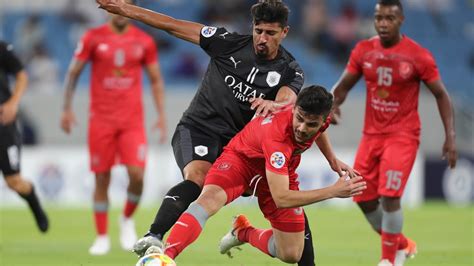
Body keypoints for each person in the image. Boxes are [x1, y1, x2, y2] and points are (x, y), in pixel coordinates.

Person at [96, 1, 351, 264]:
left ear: (284, 32)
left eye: (270, 33)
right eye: (258, 30)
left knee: (291, 247)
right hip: (200, 129)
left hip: (245, 144)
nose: (262, 38)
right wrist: (126, 10)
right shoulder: (227, 42)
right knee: (199, 181)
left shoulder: (289, 70)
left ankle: (245, 233)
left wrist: (278, 105)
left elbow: (292, 102)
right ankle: (156, 238)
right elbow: (172, 26)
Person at [141, 85, 366, 264]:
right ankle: (165, 257)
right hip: (242, 160)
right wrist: (333, 191)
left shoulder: (319, 119)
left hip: (278, 171)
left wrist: (332, 159)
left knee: (291, 254)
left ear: (323, 119)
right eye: (299, 119)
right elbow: (282, 197)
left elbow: (319, 132)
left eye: (311, 124)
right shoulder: (278, 137)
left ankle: (243, 232)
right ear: (295, 108)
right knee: (209, 199)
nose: (303, 128)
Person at [330, 0, 458, 265]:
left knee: (390, 195)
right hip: (371, 135)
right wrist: (332, 105)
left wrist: (450, 136)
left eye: (389, 18)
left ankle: (388, 259)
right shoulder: (365, 50)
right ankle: (400, 243)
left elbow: (441, 95)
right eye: (379, 18)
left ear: (401, 20)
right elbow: (342, 86)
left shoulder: (417, 55)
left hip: (403, 136)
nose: (383, 23)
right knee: (362, 197)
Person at [60, 0, 167, 255]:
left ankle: (127, 218)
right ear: (108, 7)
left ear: (132, 7)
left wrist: (161, 116)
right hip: (101, 120)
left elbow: (155, 79)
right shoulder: (93, 38)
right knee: (101, 177)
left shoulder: (144, 41)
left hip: (132, 121)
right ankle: (101, 236)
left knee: (137, 176)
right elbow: (73, 73)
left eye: (126, 3)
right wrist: (66, 109)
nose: (120, 8)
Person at [0, 41, 49, 233]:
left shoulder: (1, 48)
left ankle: (34, 202)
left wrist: (13, 103)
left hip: (4, 125)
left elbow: (21, 75)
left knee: (14, 182)